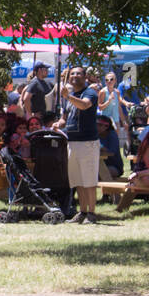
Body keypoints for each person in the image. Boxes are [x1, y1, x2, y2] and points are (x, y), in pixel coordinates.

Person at [54, 66, 100, 223]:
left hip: (88, 143)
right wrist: (58, 124)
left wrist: (68, 97)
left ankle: (92, 213)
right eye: (72, 73)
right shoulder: (69, 96)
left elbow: (84, 105)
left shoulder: (90, 93)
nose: (74, 76)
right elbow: (65, 118)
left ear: (85, 76)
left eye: (78, 74)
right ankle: (82, 212)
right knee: (78, 180)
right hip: (72, 143)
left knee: (89, 180)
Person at [97, 115, 123, 182]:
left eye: (100, 125)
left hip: (114, 167)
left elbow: (112, 152)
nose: (98, 127)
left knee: (99, 173)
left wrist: (101, 147)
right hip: (99, 165)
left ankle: (112, 192)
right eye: (97, 124)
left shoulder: (112, 135)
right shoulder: (95, 135)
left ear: (107, 126)